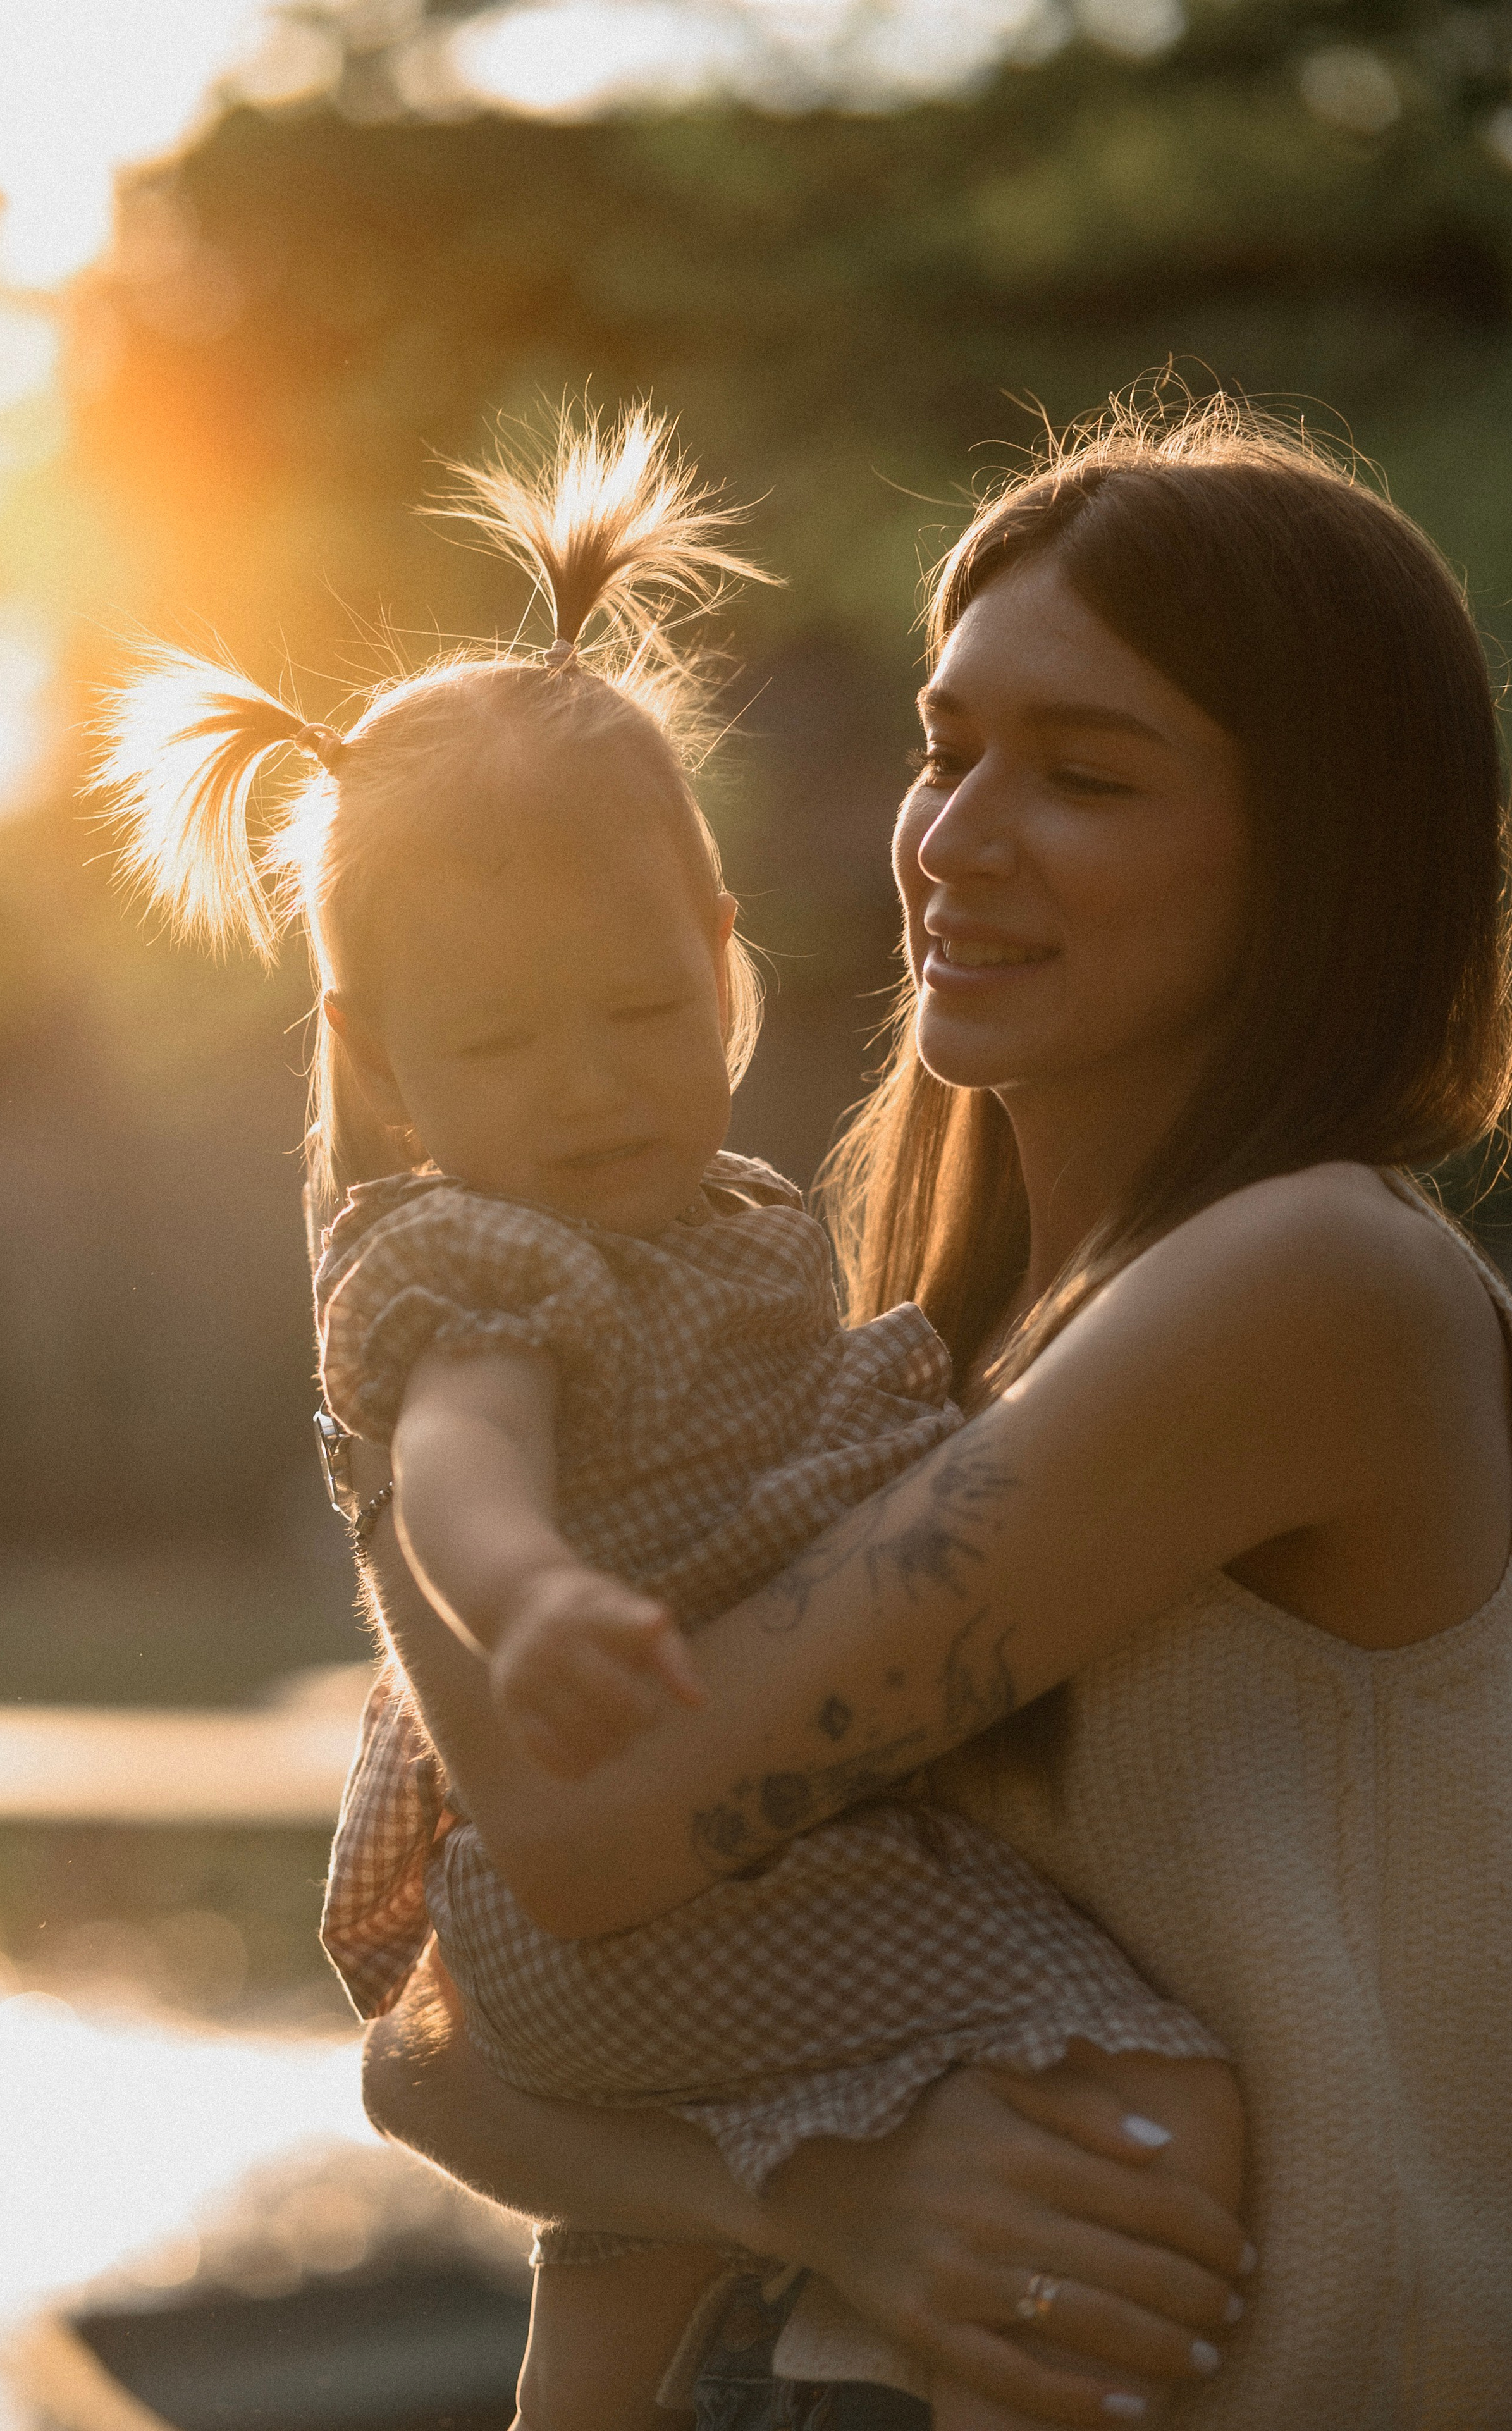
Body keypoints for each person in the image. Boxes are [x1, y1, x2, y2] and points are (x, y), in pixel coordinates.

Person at [352, 392, 1512, 2430]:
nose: (956, 840)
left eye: (1083, 774)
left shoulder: (1311, 1281)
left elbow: (588, 1850)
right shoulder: (900, 1345)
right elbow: (443, 2036)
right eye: (946, 745)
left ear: (1321, 842)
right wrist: (828, 2192)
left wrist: (382, 1302)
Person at [96, 407, 1239, 2431]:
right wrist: (525, 1596)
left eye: (633, 1010)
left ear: (725, 972)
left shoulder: (738, 1223)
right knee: (1138, 2087)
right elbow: (459, 1456)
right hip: (652, 1867)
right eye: (502, 1039)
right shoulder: (475, 1262)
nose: (591, 1084)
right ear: (381, 1061)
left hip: (618, 1924)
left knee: (623, 2258)